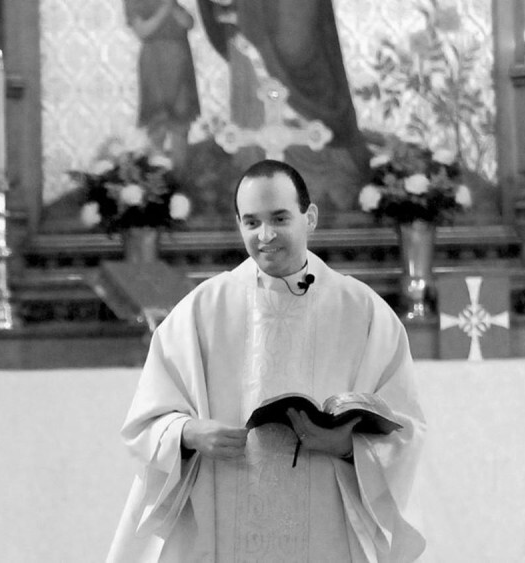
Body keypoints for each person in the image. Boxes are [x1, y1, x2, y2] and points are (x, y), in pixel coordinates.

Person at [107, 159, 425, 562]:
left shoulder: (362, 311)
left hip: (326, 521)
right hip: (226, 511)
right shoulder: (203, 308)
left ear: (310, 217)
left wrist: (347, 445)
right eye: (252, 222)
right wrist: (190, 432)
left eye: (279, 218)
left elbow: (406, 428)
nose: (266, 235)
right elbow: (145, 421)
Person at [196, 0, 373, 212]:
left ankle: (311, 181)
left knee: (297, 50)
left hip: (284, 14)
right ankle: (257, 178)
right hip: (247, 28)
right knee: (255, 113)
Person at [125, 0, 200, 180]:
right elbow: (143, 31)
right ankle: (157, 182)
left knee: (181, 122)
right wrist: (165, 8)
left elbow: (189, 23)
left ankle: (180, 180)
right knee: (156, 121)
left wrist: (171, 6)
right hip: (154, 62)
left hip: (180, 60)